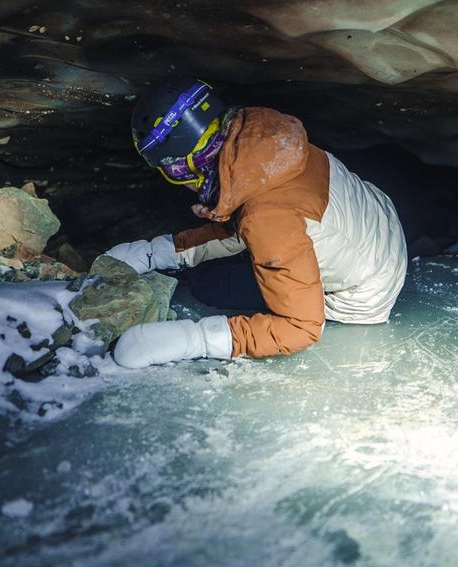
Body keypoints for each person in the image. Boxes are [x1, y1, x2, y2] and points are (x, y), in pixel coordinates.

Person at [105, 78, 407, 368]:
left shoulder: (266, 217)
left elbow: (300, 328)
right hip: (379, 227)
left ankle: (197, 282)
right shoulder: (262, 141)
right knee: (248, 251)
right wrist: (157, 252)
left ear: (186, 167)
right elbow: (249, 220)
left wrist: (193, 339)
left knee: (213, 286)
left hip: (364, 293)